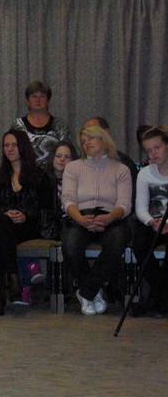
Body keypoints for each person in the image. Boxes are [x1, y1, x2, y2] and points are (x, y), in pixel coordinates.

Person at [61, 125, 132, 315]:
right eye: (83, 142)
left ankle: (86, 292)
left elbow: (125, 204)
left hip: (110, 217)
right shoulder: (73, 167)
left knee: (118, 240)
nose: (86, 144)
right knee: (70, 245)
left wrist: (109, 218)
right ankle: (94, 292)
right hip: (80, 216)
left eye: (90, 139)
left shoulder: (121, 169)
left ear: (103, 139)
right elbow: (68, 199)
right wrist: (80, 219)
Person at [0, 131, 53, 316]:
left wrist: (25, 217)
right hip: (4, 227)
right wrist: (5, 214)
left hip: (29, 228)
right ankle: (13, 275)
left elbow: (46, 210)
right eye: (6, 145)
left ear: (23, 147)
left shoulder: (39, 175)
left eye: (14, 145)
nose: (10, 149)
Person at [132, 126, 168, 317]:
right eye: (149, 150)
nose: (153, 153)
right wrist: (151, 222)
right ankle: (162, 298)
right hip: (153, 222)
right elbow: (141, 207)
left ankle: (156, 300)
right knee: (140, 244)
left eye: (157, 147)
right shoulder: (145, 174)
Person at [9, 80, 70, 164]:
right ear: (28, 101)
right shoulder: (17, 125)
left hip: (54, 171)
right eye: (34, 96)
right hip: (25, 171)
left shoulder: (60, 124)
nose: (37, 100)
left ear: (48, 101)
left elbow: (67, 152)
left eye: (42, 96)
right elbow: (11, 152)